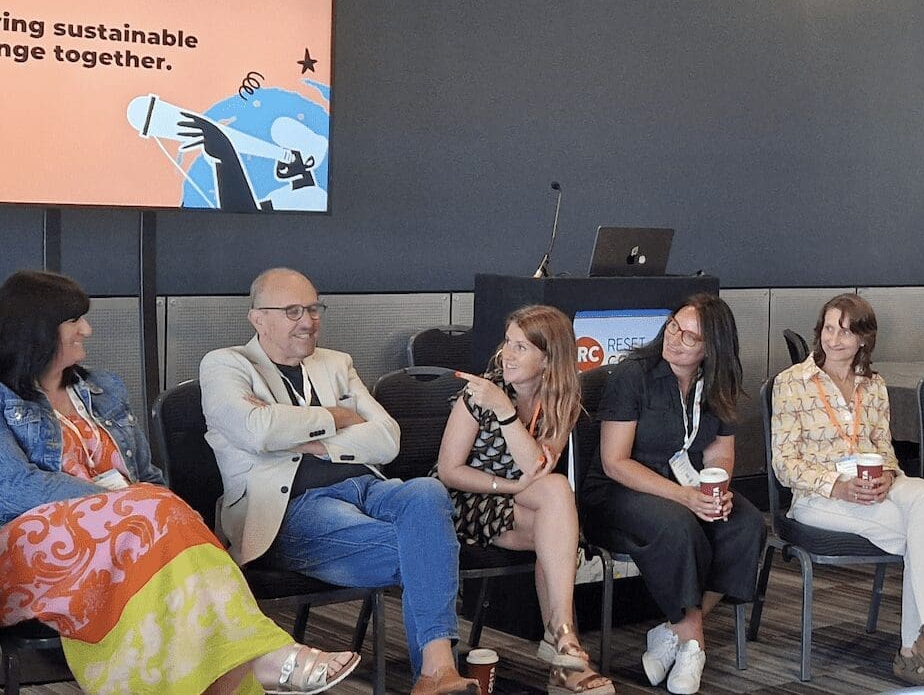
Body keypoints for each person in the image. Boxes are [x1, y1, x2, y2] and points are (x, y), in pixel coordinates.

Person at [0, 270, 359, 695]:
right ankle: (267, 657)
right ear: (35, 328)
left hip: (130, 540)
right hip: (14, 554)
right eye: (75, 321)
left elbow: (146, 476)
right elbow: (12, 487)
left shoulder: (102, 388)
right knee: (155, 511)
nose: (87, 329)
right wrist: (118, 501)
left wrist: (142, 502)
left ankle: (252, 664)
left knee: (171, 516)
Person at [201, 267, 478, 695]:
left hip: (366, 486)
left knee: (427, 491)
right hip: (291, 509)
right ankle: (437, 672)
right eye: (292, 311)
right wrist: (339, 417)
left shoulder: (335, 363)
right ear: (258, 318)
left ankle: (435, 675)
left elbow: (388, 440)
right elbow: (256, 430)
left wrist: (310, 440)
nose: (308, 321)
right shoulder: (225, 365)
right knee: (431, 546)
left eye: (313, 308)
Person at [770, 293, 924, 686]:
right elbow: (784, 464)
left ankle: (919, 647)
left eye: (846, 330)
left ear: (864, 338)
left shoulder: (873, 386)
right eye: (829, 328)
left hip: (873, 488)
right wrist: (838, 486)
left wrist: (889, 477)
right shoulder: (792, 383)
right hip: (818, 497)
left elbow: (885, 452)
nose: (835, 338)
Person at [580, 294, 764, 695]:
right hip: (617, 491)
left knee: (746, 523)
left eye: (690, 337)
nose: (676, 339)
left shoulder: (719, 381)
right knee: (678, 523)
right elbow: (615, 462)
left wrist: (718, 490)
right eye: (674, 327)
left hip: (687, 487)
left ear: (712, 349)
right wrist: (686, 498)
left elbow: (721, 453)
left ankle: (672, 631)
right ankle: (694, 644)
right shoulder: (634, 375)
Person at [436, 305, 614, 695]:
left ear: (548, 360)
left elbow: (536, 465)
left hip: (526, 502)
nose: (506, 355)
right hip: (465, 499)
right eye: (507, 344)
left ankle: (563, 645)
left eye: (521, 348)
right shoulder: (481, 393)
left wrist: (508, 418)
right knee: (558, 525)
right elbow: (449, 471)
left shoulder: (561, 397)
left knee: (555, 502)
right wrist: (501, 412)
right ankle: (565, 647)